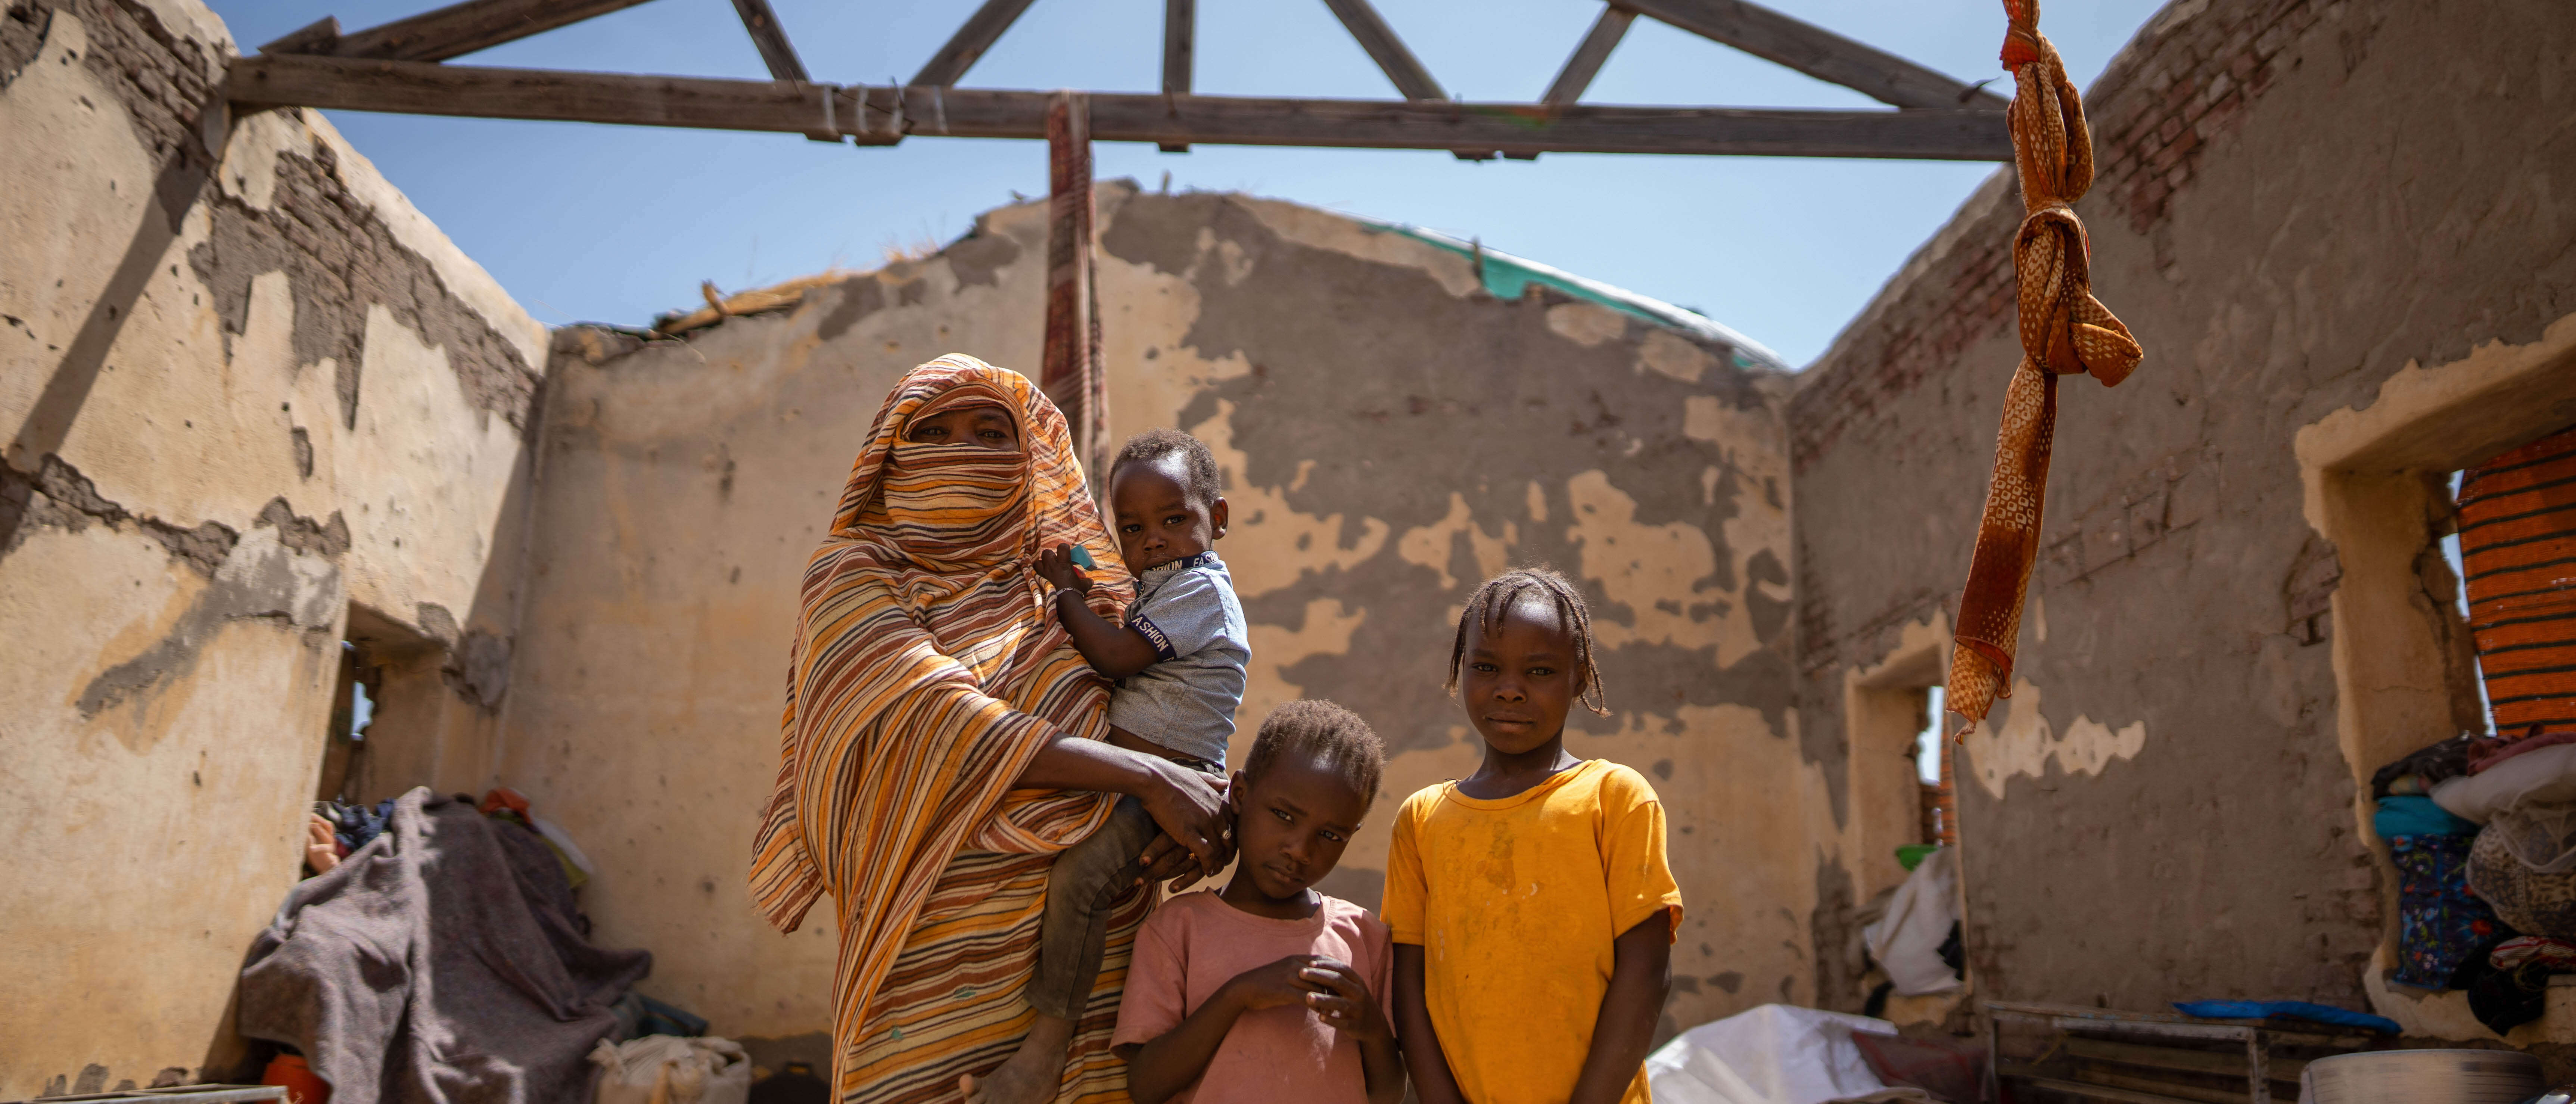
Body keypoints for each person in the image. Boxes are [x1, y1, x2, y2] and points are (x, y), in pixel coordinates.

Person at [749, 355, 1231, 1104]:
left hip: (1096, 960)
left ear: (1025, 454)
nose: (964, 449)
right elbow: (940, 719)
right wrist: (1148, 778)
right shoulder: (854, 573)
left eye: (989, 431)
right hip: (930, 950)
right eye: (934, 431)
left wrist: (1191, 805)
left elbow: (1168, 705)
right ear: (892, 453)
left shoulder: (1070, 590)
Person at [978, 429, 1251, 1101]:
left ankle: (1047, 1047)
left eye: (1174, 519)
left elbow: (1119, 658)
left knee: (1081, 881)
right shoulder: (1163, 581)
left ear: (1217, 519)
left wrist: (1067, 594)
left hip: (1171, 780)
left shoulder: (1200, 589)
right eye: (1132, 527)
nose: (1153, 539)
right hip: (1145, 774)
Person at [1384, 568, 1681, 1104]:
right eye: (1486, 667)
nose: (1510, 690)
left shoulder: (1615, 798)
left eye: (1540, 670)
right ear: (1459, 672)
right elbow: (1409, 989)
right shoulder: (1422, 819)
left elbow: (1646, 973)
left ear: (1581, 677)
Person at [1113, 700, 1405, 1104]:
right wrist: (1240, 995)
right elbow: (1146, 1085)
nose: (1300, 850)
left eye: (1331, 835)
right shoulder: (1179, 927)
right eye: (1284, 815)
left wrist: (1372, 1028)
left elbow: (1389, 1093)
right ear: (1241, 793)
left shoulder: (1362, 936)